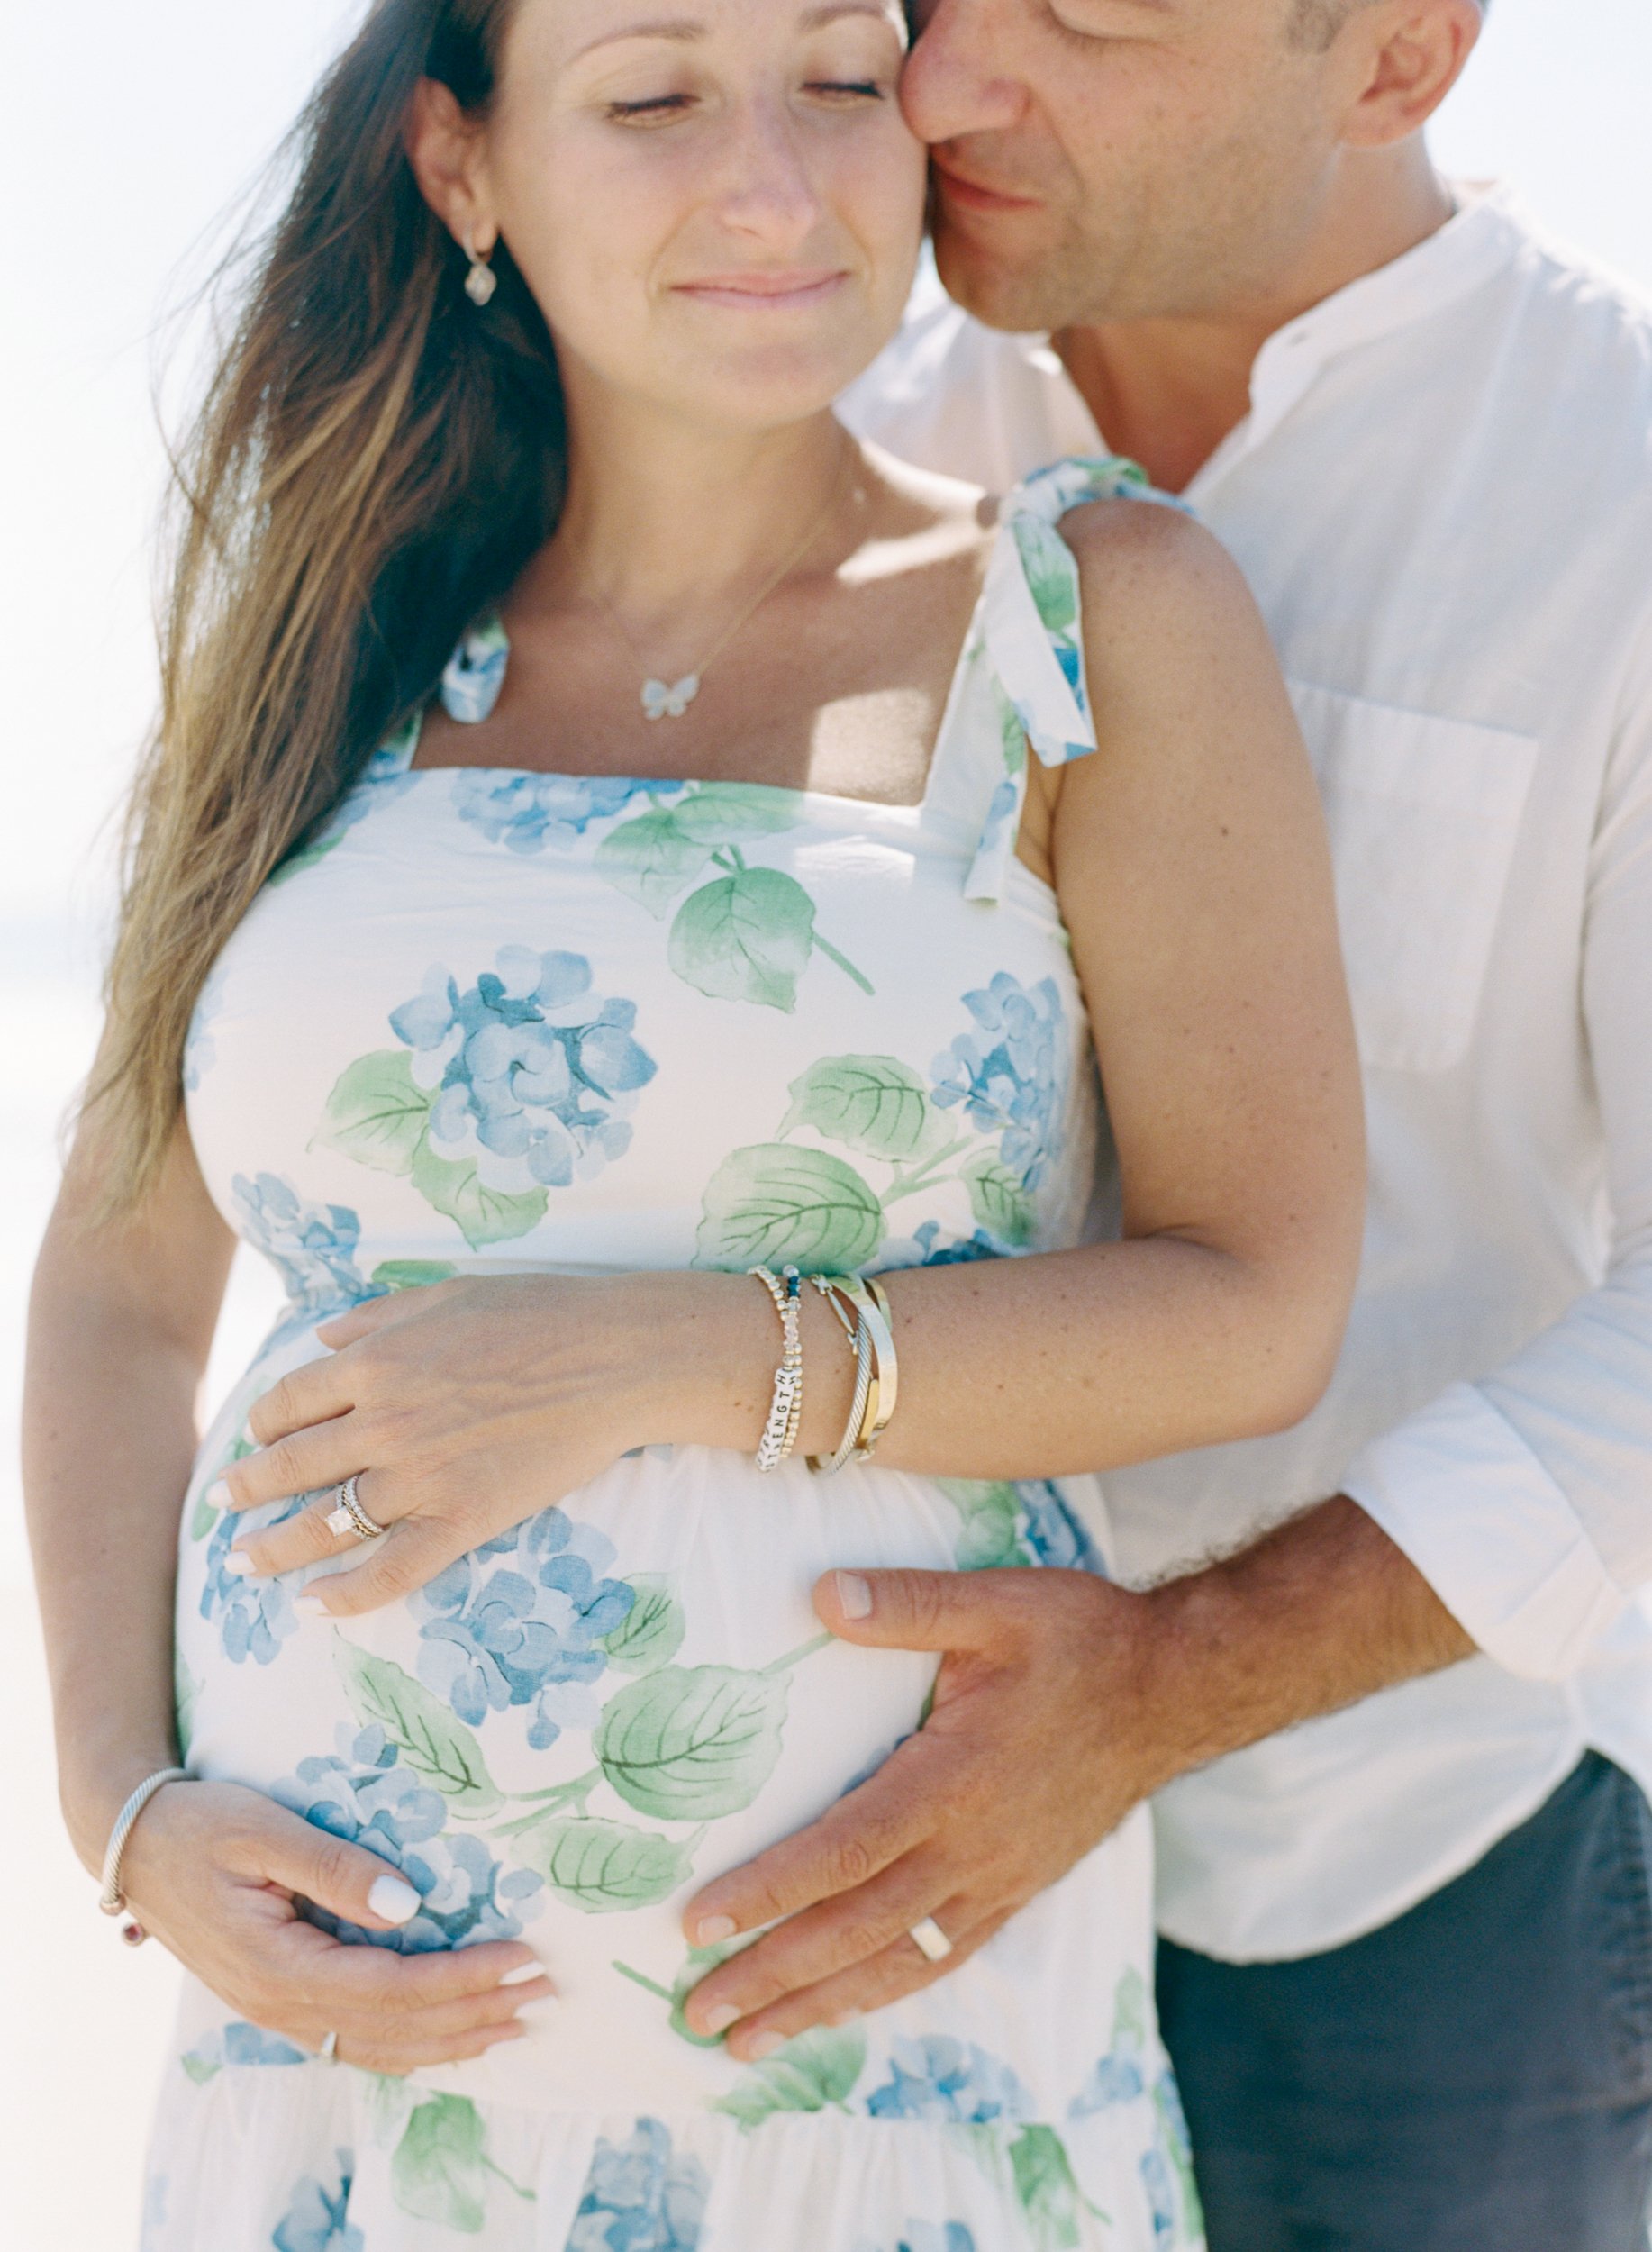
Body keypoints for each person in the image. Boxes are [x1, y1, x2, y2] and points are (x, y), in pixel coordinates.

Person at [23, 4, 1365, 2248]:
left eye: (837, 79)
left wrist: (667, 1352)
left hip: (877, 2076)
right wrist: (120, 1811)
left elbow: (1254, 1296)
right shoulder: (318, 636)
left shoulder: (1082, 615)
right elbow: (111, 1288)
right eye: (652, 99)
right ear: (465, 173)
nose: (777, 183)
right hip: (341, 2083)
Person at [612, 2, 1652, 2247]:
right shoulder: (812, 441)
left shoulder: (1620, 496)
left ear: (1392, 57)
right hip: (817, 1857)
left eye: (1085, 17)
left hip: (1403, 1887)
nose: (946, 84)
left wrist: (1164, 1686)